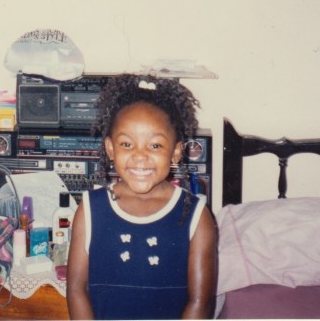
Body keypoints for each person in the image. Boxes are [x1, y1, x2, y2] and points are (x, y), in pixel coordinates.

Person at [67, 73, 217, 320]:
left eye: (155, 145)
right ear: (110, 149)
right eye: (127, 144)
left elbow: (200, 302)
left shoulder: (197, 216)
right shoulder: (90, 209)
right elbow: (76, 289)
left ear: (176, 152)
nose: (140, 156)